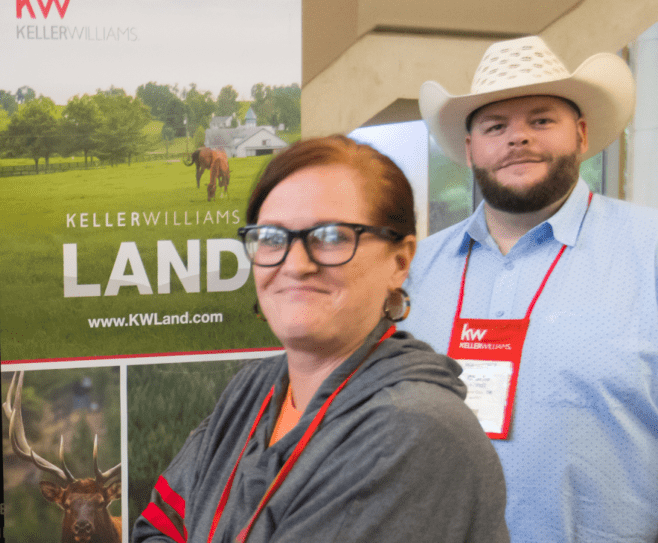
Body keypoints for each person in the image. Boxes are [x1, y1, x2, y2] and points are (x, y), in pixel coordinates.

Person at [132, 136, 508, 543]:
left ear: (399, 262)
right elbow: (156, 528)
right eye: (272, 238)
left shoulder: (412, 430)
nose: (296, 265)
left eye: (331, 236)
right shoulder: (252, 390)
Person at [401, 35, 658, 542]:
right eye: (496, 126)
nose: (517, 138)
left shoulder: (649, 251)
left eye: (541, 121)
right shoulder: (414, 272)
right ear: (470, 149)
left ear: (581, 134)